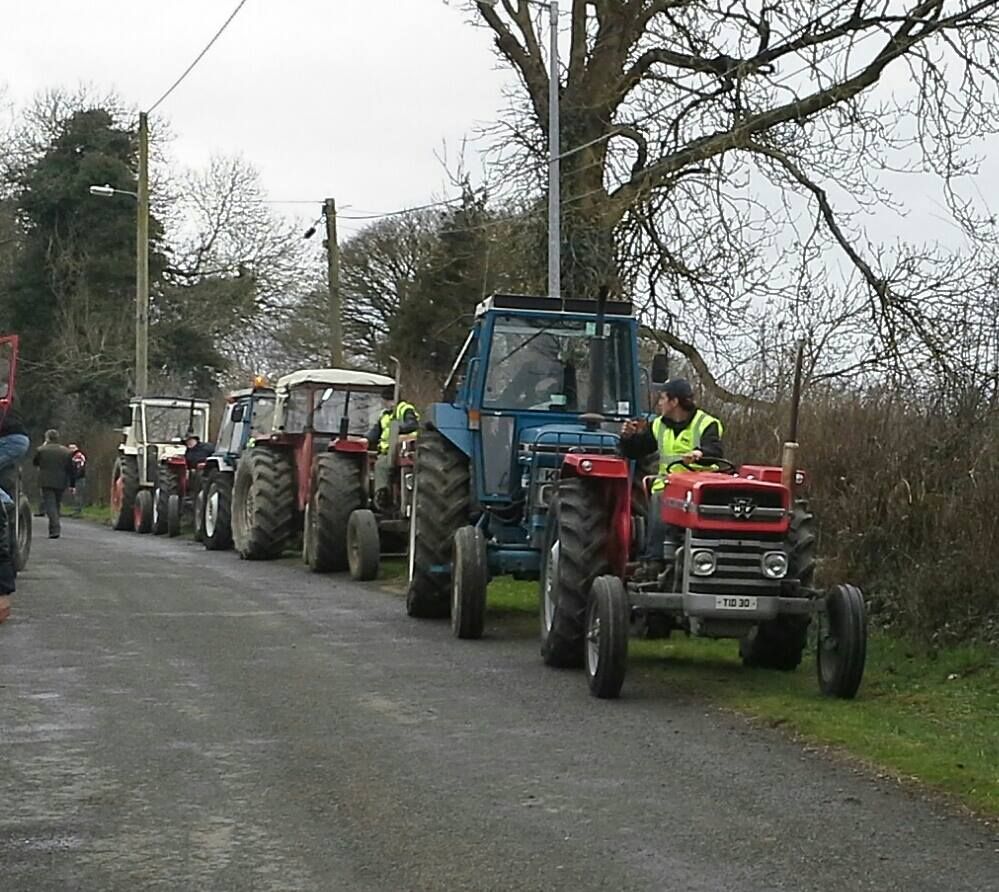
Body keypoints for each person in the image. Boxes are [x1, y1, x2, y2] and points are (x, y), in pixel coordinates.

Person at [619, 378, 724, 581]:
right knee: (660, 497)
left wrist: (700, 454)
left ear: (674, 402)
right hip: (668, 486)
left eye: (662, 399)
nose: (659, 403)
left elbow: (716, 450)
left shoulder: (707, 424)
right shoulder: (658, 426)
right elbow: (636, 451)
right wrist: (628, 438)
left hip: (701, 488)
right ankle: (653, 561)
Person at [366, 386, 419, 507]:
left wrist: (399, 429)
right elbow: (375, 432)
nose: (383, 404)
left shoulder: (405, 409)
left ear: (390, 400)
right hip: (387, 451)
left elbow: (412, 425)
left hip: (405, 449)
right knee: (381, 462)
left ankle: (382, 493)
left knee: (381, 465)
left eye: (384, 401)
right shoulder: (384, 415)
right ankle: (383, 494)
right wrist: (365, 439)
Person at [32, 429, 75, 540]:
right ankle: (55, 527)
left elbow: (35, 462)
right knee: (56, 504)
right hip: (61, 481)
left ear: (47, 438)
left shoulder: (41, 450)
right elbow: (71, 469)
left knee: (50, 505)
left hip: (46, 481)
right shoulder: (66, 452)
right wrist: (72, 484)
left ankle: (55, 528)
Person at [67, 443, 87, 516]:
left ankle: (78, 511)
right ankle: (76, 510)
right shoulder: (73, 457)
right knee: (76, 495)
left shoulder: (78, 456)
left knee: (78, 495)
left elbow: (79, 468)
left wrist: (75, 477)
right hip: (76, 478)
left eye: (71, 448)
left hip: (79, 478)